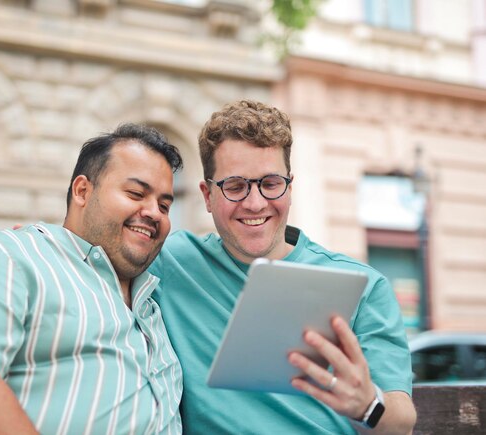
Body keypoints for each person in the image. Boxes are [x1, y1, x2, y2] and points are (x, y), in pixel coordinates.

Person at [150, 100, 417, 434]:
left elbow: (401, 422)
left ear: (290, 186)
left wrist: (368, 404)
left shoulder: (362, 286)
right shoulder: (169, 261)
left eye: (271, 183)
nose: (255, 203)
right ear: (206, 195)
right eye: (235, 186)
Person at [0, 124, 184, 435]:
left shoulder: (154, 302)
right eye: (136, 193)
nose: (154, 213)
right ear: (82, 191)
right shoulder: (3, 253)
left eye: (165, 206)